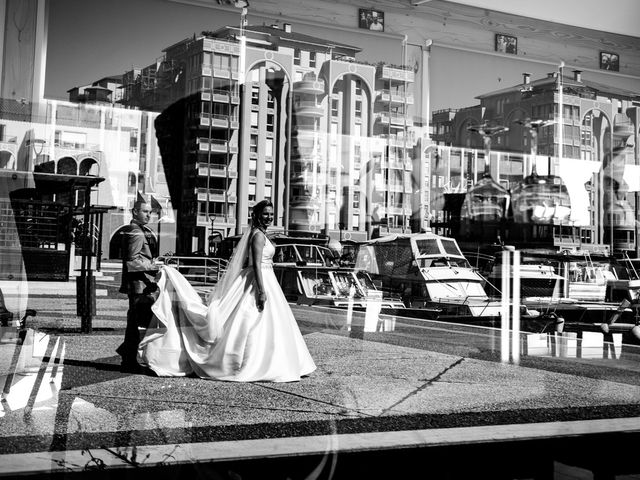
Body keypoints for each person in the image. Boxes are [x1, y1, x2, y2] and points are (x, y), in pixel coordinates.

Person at [138, 199, 316, 382]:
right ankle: (261, 363)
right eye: (265, 214)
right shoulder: (258, 236)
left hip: (266, 278)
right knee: (252, 322)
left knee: (267, 323)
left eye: (271, 214)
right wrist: (262, 291)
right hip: (259, 280)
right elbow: (256, 265)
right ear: (256, 215)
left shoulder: (261, 234)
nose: (269, 217)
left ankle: (274, 361)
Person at [116, 200, 159, 373]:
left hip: (141, 285)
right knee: (139, 322)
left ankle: (127, 356)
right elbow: (131, 262)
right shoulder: (136, 232)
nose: (149, 215)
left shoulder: (136, 230)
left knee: (138, 322)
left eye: (150, 212)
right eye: (145, 212)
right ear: (135, 212)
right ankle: (128, 358)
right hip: (139, 286)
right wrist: (155, 266)